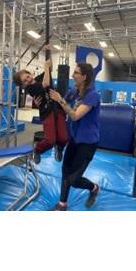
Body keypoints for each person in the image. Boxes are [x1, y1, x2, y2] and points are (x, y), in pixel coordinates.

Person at [49, 63, 100, 211]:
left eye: (76, 73)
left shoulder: (92, 95)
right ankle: (62, 204)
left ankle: (94, 188)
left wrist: (60, 100)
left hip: (88, 143)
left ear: (85, 77)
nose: (73, 75)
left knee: (74, 179)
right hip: (74, 140)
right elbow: (59, 106)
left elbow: (75, 115)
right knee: (65, 171)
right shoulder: (73, 92)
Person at [13, 46, 68, 164]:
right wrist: (45, 67)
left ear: (29, 73)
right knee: (50, 140)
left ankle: (60, 148)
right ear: (23, 85)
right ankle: (37, 150)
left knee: (63, 138)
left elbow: (50, 68)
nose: (27, 79)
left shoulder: (38, 78)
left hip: (57, 109)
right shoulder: (31, 89)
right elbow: (46, 83)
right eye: (24, 81)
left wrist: (50, 52)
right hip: (46, 112)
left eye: (27, 76)